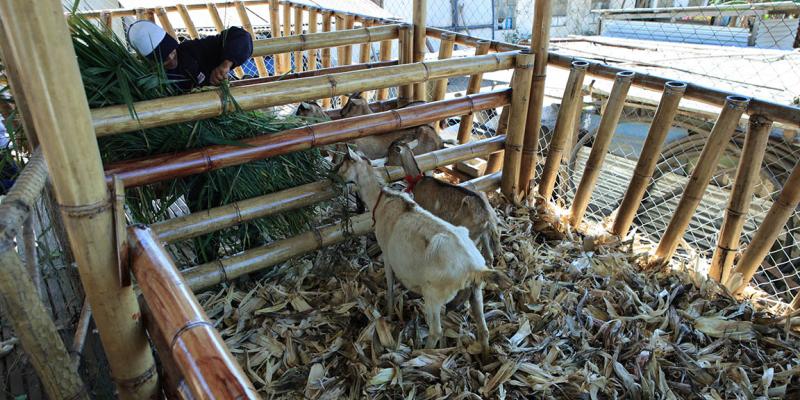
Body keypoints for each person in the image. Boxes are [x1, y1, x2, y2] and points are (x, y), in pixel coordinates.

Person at [126, 20, 253, 91]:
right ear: (152, 63)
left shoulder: (191, 49)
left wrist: (226, 64)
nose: (171, 59)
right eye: (164, 60)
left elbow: (241, 36)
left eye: (172, 52)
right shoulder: (151, 80)